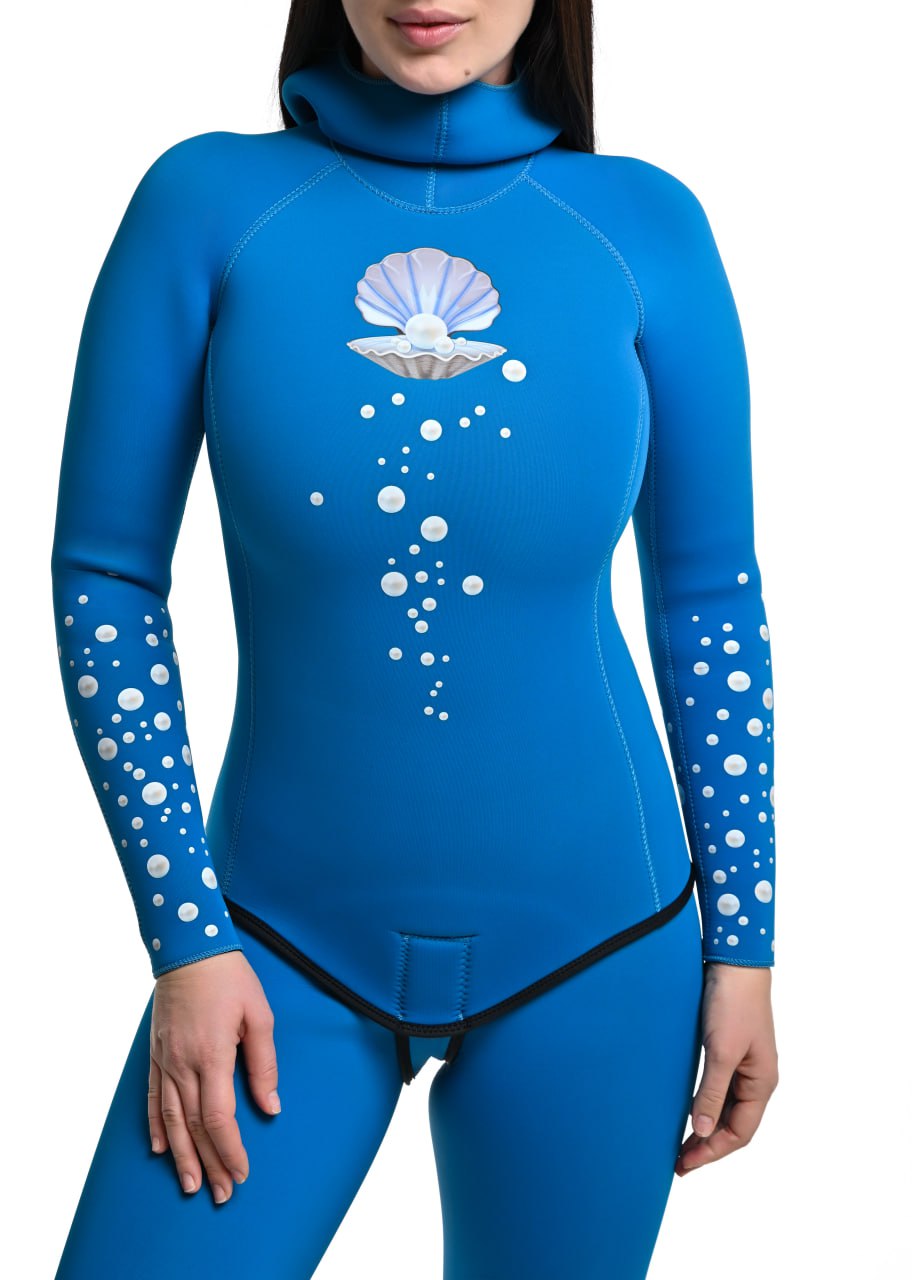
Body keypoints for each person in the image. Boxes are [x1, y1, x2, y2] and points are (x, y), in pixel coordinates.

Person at [50, 1, 780, 1275]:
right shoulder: (208, 204)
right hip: (269, 946)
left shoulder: (645, 225)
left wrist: (746, 941)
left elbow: (709, 598)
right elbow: (106, 578)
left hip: (606, 950)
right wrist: (186, 937)